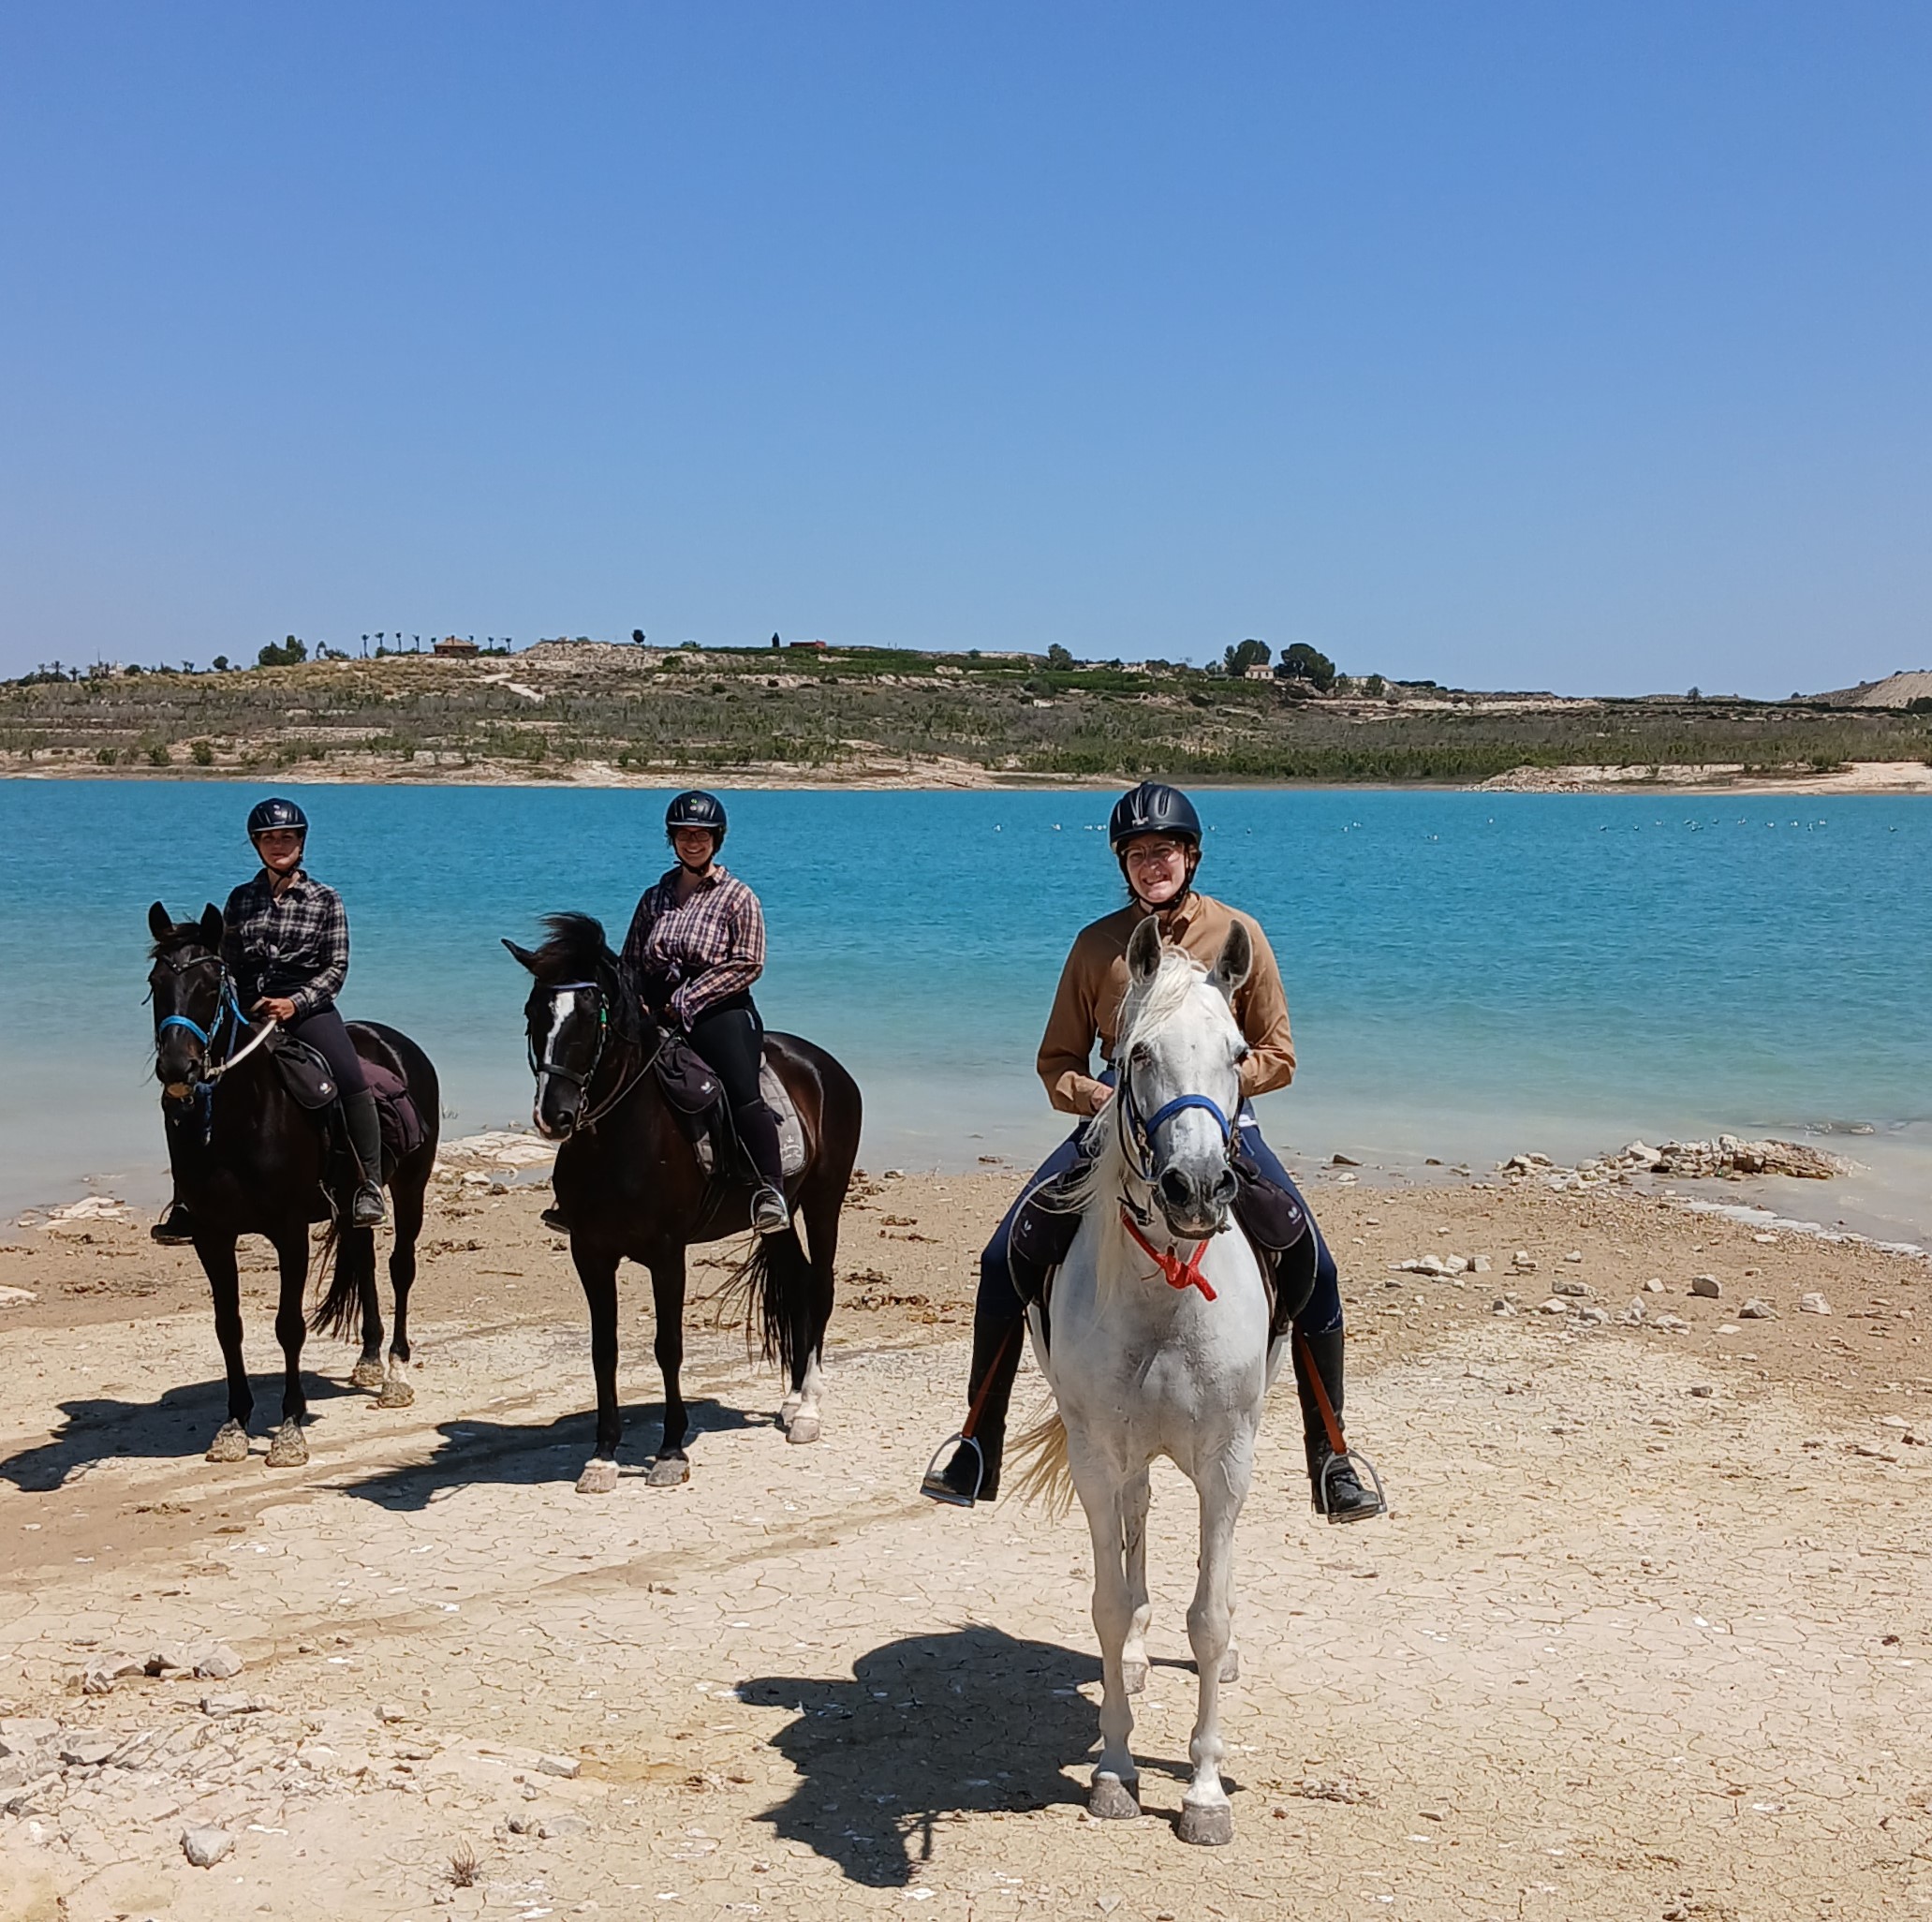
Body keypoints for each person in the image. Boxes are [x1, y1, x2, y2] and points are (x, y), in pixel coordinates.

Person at [920, 780, 1384, 1522]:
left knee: (1313, 1262)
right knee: (1005, 1252)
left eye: (1163, 850)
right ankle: (978, 1440)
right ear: (1122, 864)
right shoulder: (1095, 948)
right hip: (1118, 1118)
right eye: (1136, 853)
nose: (1150, 864)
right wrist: (1099, 1097)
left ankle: (1330, 1453)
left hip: (1219, 1122)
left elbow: (1280, 1054)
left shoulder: (1239, 936)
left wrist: (1218, 1086)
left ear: (1190, 856)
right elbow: (1056, 1063)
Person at [153, 796, 386, 1242]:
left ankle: (367, 1185)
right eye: (268, 838)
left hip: (307, 1007)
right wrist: (242, 1002)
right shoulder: (240, 899)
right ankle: (185, 1197)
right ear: (256, 845)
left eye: (286, 837)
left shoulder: (325, 900)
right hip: (248, 1006)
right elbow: (227, 964)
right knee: (183, 1086)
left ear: (301, 842)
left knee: (349, 1077)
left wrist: (296, 1003)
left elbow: (336, 967)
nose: (278, 845)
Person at [622, 791, 789, 1235]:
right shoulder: (654, 897)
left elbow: (749, 962)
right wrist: (633, 998)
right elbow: (633, 958)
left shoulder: (738, 897)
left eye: (701, 835)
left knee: (740, 1089)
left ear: (716, 840)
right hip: (655, 1006)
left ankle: (769, 1190)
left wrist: (688, 999)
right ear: (671, 840)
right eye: (683, 835)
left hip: (721, 1008)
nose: (692, 842)